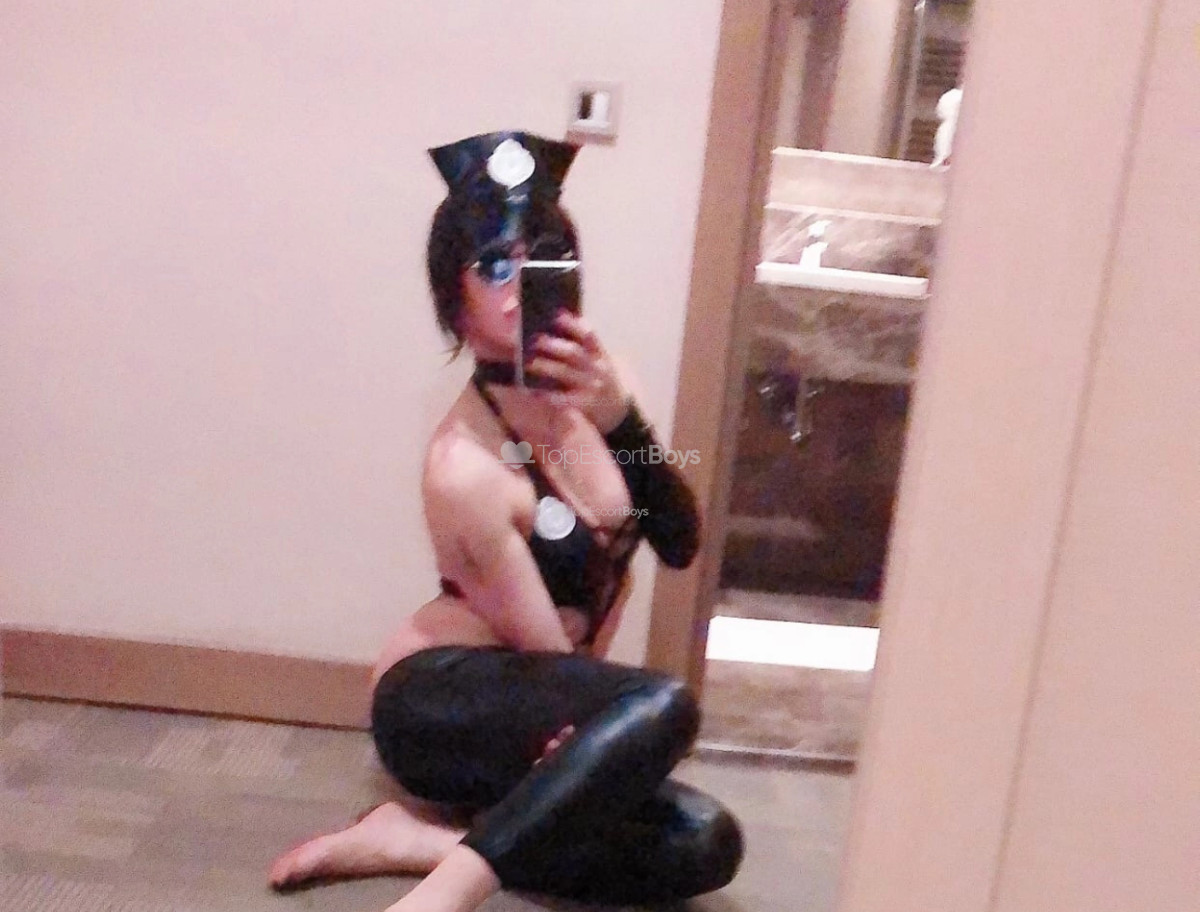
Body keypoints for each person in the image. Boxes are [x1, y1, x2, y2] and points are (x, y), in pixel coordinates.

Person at [267, 131, 743, 912]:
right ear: (452, 295)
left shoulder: (605, 383)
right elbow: (549, 660)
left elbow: (679, 542)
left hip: (550, 692)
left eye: (544, 259)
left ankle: (416, 841)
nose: (521, 285)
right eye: (494, 266)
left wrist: (620, 420)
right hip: (438, 701)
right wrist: (588, 737)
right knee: (664, 704)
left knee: (706, 841)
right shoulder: (463, 464)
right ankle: (447, 892)